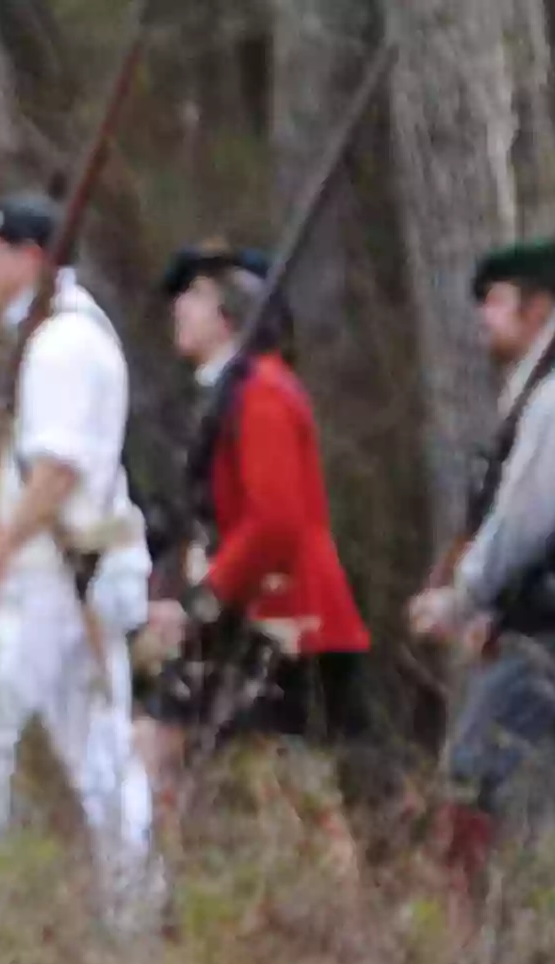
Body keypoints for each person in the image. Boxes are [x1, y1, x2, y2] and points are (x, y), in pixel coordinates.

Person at [0, 192, 164, 939]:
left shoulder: (62, 344)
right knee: (99, 759)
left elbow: (56, 470)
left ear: (29, 257)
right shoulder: (66, 335)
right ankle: (133, 922)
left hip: (58, 574)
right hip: (75, 570)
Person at [404, 239, 555, 892]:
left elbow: (527, 521)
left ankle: (453, 948)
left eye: (496, 300)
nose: (483, 314)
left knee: (470, 768)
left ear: (539, 309)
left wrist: (462, 598)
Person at [136, 246, 374, 791]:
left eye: (196, 296)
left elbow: (274, 523)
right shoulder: (232, 391)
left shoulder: (261, 392)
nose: (180, 309)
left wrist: (202, 600)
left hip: (286, 619)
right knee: (164, 748)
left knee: (290, 789)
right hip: (248, 614)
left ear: (233, 313)